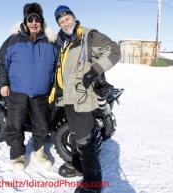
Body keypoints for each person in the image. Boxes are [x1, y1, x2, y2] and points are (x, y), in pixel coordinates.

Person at [49, 5, 121, 193]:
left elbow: (114, 51)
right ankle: (77, 166)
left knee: (85, 140)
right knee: (75, 135)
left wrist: (95, 70)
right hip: (68, 98)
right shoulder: (61, 42)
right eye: (61, 21)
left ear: (74, 18)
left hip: (84, 97)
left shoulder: (89, 36)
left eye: (67, 19)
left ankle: (93, 183)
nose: (65, 23)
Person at [0, 2, 57, 171]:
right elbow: (2, 62)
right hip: (17, 91)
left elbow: (58, 66)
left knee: (42, 124)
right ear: (25, 21)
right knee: (15, 124)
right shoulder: (13, 40)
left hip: (41, 92)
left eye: (36, 19)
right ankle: (17, 155)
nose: (33, 22)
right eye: (29, 19)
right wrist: (3, 84)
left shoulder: (51, 42)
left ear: (41, 21)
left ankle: (39, 151)